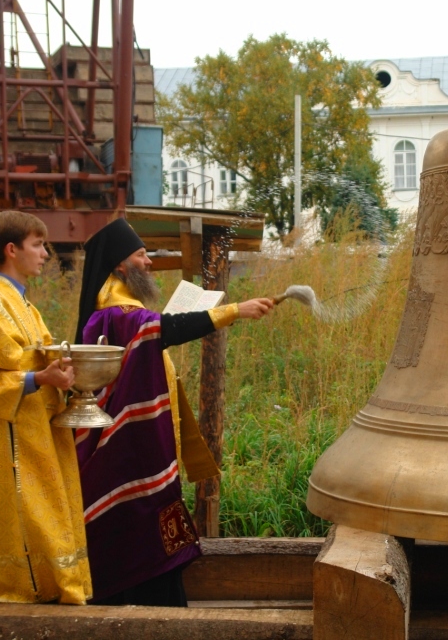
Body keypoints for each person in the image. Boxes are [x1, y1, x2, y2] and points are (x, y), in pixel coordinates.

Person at [74, 218, 273, 606]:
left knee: (142, 519)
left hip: (135, 441)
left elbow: (156, 329)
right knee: (134, 517)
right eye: (141, 255)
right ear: (119, 265)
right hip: (124, 446)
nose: (149, 262)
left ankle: (156, 600)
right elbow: (163, 329)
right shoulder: (116, 315)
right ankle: (141, 607)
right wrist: (236, 310)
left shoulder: (120, 312)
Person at [0, 211, 92, 603]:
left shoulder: (25, 305)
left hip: (34, 429)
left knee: (46, 507)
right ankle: (6, 587)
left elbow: (37, 360)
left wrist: (61, 375)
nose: (46, 253)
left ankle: (49, 584)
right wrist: (40, 379)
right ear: (12, 250)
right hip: (6, 438)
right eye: (37, 245)